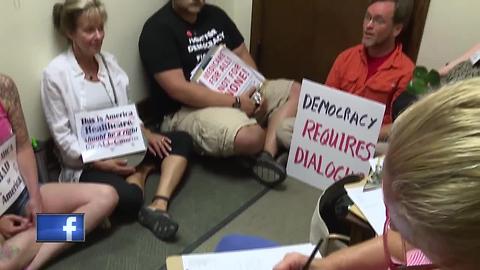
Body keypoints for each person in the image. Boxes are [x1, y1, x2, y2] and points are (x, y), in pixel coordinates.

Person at [274, 78, 480, 270]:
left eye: (401, 227)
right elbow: (401, 246)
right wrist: (326, 265)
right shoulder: (441, 246)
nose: (391, 229)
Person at [41, 0, 193, 241]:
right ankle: (141, 174)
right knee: (129, 199)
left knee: (182, 140)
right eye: (89, 30)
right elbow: (63, 140)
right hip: (89, 162)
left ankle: (158, 202)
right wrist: (101, 163)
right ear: (70, 32)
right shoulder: (55, 75)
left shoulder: (109, 63)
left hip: (126, 145)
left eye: (101, 28)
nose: (98, 36)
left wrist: (146, 133)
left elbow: (127, 112)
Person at [138, 0, 302, 186]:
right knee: (250, 136)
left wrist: (257, 93)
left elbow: (241, 54)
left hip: (236, 93)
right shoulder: (157, 30)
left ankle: (267, 154)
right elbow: (179, 90)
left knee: (296, 91)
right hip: (185, 109)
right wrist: (237, 103)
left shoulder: (215, 15)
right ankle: (271, 136)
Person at [0, 74, 118, 270]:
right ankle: (75, 226)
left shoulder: (4, 87)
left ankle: (35, 260)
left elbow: (23, 147)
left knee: (107, 197)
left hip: (22, 194)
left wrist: (35, 198)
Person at [276, 0, 414, 150]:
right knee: (284, 128)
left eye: (378, 21)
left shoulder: (406, 70)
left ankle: (320, 154)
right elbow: (324, 102)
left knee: (392, 152)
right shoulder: (346, 57)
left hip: (368, 141)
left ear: (397, 29)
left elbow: (399, 125)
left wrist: (359, 135)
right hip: (332, 132)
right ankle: (322, 157)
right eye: (368, 17)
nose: (369, 25)